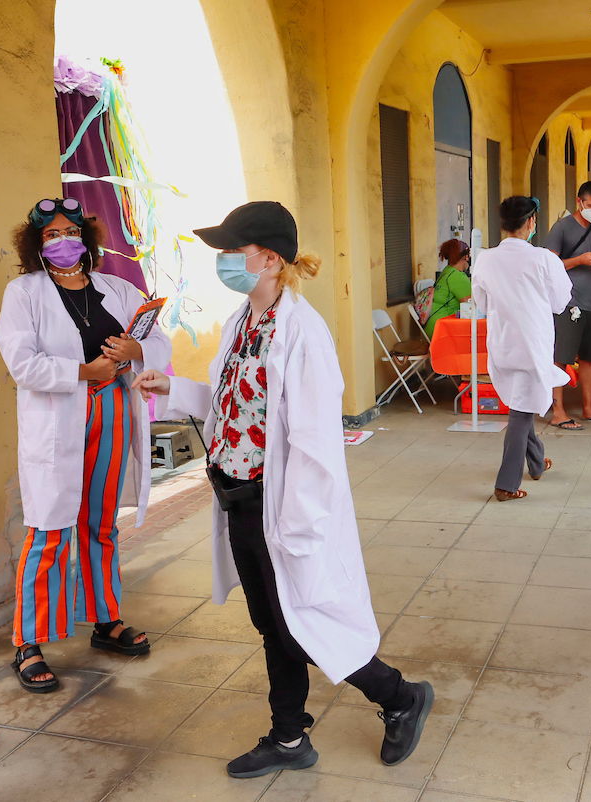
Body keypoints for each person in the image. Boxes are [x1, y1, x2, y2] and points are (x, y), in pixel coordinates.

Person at [132, 201, 435, 778]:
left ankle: (398, 697)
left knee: (301, 616)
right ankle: (291, 735)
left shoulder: (302, 331)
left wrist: (297, 524)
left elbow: (316, 440)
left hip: (281, 504)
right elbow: (233, 404)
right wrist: (174, 388)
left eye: (231, 251)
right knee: (275, 621)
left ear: (269, 258)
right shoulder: (242, 320)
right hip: (238, 494)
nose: (222, 261)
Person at [0, 199, 173, 693]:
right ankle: (28, 642)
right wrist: (81, 372)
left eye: (70, 231)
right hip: (60, 416)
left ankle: (106, 620)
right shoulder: (24, 292)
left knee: (100, 522)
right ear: (36, 245)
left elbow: (159, 340)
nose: (62, 240)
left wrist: (138, 350)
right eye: (50, 235)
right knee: (50, 527)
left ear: (86, 238)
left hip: (113, 408)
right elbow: (20, 362)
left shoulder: (116, 287)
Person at [472, 196, 573, 501]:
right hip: (533, 345)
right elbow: (560, 302)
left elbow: (482, 303)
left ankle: (538, 462)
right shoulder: (544, 259)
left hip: (502, 342)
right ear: (531, 223)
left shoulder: (485, 259)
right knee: (521, 412)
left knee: (522, 403)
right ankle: (506, 484)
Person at [543, 181, 591, 429]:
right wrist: (580, 260)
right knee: (561, 357)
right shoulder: (561, 228)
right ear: (579, 202)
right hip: (567, 302)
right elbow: (550, 266)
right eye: (590, 205)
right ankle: (558, 411)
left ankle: (587, 407)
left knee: (589, 357)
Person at [424, 238, 472, 339]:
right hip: (442, 328)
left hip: (432, 324)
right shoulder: (457, 276)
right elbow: (471, 304)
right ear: (466, 257)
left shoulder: (447, 271)